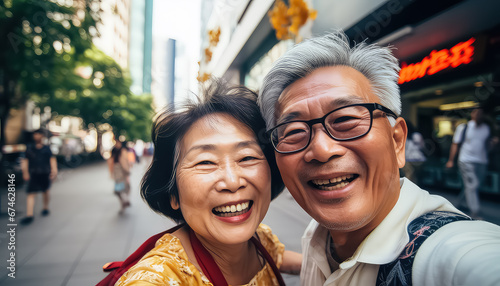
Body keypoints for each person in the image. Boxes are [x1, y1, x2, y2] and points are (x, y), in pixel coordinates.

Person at [258, 30, 500, 285]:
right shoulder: (317, 234)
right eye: (294, 132)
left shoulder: (450, 252)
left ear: (397, 141)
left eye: (345, 119)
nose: (321, 149)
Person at [115, 79, 302, 285]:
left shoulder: (258, 240)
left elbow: (279, 256)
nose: (232, 181)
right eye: (206, 162)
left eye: (247, 157)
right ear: (173, 194)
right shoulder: (158, 277)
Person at [446, 107, 498, 219]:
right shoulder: (464, 127)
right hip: (466, 160)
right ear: (472, 114)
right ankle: (475, 212)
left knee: (472, 186)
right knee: (472, 185)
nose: (479, 115)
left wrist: (493, 144)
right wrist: (451, 160)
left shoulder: (487, 128)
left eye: (481, 113)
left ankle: (458, 203)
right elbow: (455, 144)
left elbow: (488, 147)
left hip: (482, 161)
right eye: (477, 112)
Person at [20, 129, 58, 225]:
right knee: (31, 193)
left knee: (45, 191)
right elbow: (25, 161)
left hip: (45, 172)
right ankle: (29, 215)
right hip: (33, 173)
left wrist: (54, 171)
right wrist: (25, 172)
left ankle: (45, 207)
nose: (36, 136)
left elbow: (52, 160)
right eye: (35, 134)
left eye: (38, 134)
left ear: (42, 136)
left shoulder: (47, 148)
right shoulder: (29, 148)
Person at [108, 139, 131, 214]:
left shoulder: (123, 150)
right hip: (117, 171)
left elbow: (126, 162)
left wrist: (127, 172)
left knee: (125, 188)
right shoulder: (114, 150)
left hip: (123, 171)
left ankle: (124, 202)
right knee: (118, 190)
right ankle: (124, 202)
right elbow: (111, 161)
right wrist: (111, 173)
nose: (116, 144)